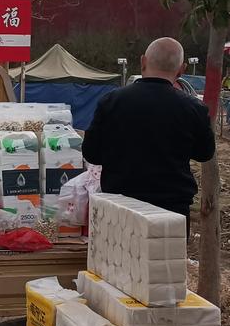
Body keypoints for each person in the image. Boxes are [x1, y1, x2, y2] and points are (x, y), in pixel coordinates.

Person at [81, 37, 216, 229]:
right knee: (166, 259)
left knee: (120, 258)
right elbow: (205, 153)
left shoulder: (111, 102)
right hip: (172, 212)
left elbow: (91, 153)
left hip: (120, 209)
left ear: (143, 61)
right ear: (182, 69)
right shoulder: (194, 108)